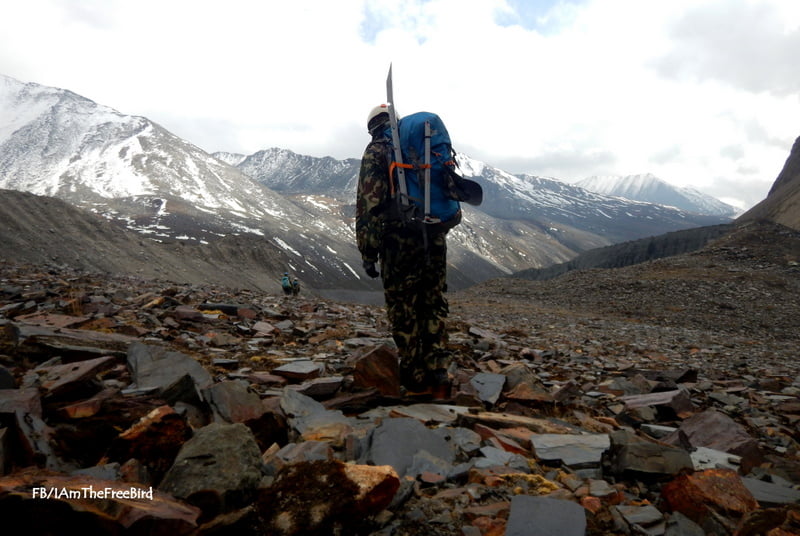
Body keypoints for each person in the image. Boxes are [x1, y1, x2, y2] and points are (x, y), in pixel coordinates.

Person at [356, 104, 452, 398]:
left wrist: (368, 251)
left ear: (372, 126)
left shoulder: (376, 152)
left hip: (399, 242)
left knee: (404, 308)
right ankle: (439, 373)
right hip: (433, 234)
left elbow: (369, 205)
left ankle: (415, 378)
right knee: (433, 302)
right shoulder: (419, 148)